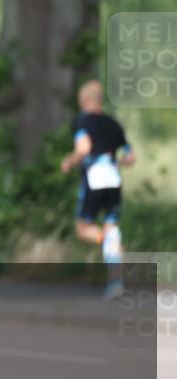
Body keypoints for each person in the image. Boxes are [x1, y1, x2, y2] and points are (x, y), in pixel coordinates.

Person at [60, 79, 134, 300]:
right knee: (112, 226)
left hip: (94, 178)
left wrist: (69, 162)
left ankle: (108, 240)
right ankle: (116, 282)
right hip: (114, 177)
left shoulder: (82, 120)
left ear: (84, 101)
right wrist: (114, 163)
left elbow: (84, 148)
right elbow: (130, 157)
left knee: (83, 228)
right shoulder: (114, 123)